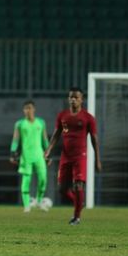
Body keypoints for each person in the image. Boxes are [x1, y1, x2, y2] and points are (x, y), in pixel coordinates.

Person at [44, 87, 101, 225]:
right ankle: (78, 203)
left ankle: (76, 217)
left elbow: (94, 139)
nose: (73, 100)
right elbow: (57, 134)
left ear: (82, 100)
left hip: (80, 156)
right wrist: (48, 150)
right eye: (71, 97)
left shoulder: (88, 118)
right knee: (62, 190)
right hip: (66, 156)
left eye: (76, 97)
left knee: (78, 185)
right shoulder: (63, 116)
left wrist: (97, 160)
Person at [9, 100, 50, 213]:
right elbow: (15, 140)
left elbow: (45, 139)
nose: (28, 110)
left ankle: (39, 201)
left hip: (39, 155)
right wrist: (13, 153)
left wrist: (48, 153)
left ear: (34, 109)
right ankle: (27, 205)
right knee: (26, 181)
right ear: (23, 110)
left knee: (43, 179)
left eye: (30, 108)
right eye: (26, 108)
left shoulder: (41, 123)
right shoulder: (20, 124)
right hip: (26, 156)